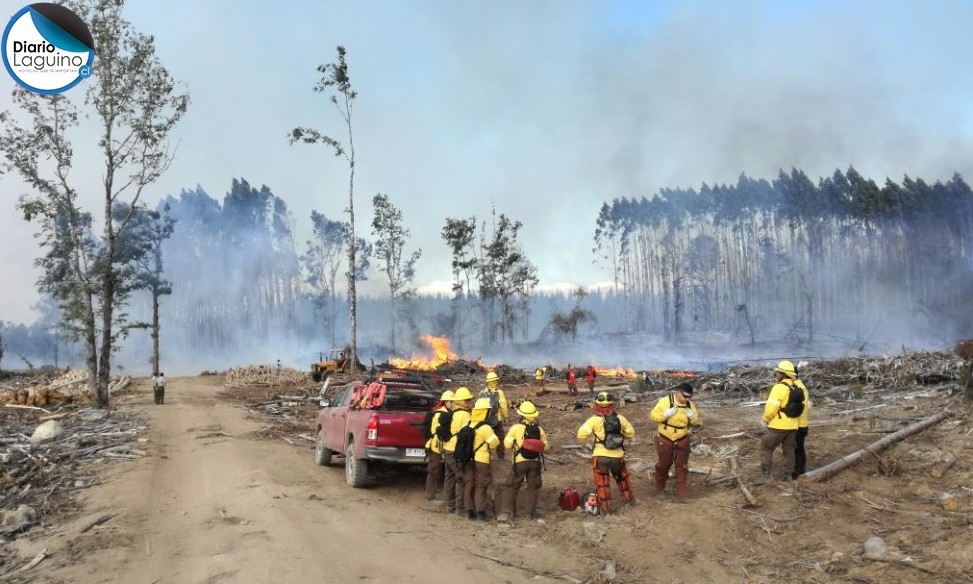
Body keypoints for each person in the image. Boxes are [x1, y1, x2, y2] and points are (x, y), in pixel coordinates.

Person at [576, 391, 636, 514]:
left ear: (597, 403)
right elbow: (631, 433)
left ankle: (606, 509)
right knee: (622, 479)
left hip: (600, 457)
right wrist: (620, 437)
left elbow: (581, 435)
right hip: (617, 456)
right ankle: (629, 501)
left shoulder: (593, 420)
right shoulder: (620, 418)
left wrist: (584, 443)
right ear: (611, 403)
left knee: (602, 484)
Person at [649, 382, 702, 500]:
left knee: (682, 466)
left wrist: (692, 417)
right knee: (663, 464)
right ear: (678, 392)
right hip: (665, 438)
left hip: (682, 438)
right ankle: (659, 490)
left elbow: (696, 421)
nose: (687, 399)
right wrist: (665, 415)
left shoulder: (689, 405)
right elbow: (653, 416)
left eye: (689, 397)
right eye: (685, 396)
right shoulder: (664, 401)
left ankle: (682, 495)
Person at [498, 401, 548, 522]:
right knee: (533, 487)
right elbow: (545, 447)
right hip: (535, 462)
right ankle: (529, 514)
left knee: (512, 486)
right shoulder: (539, 430)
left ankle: (506, 512)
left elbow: (507, 445)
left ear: (521, 415)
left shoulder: (515, 428)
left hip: (519, 462)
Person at [755, 360, 802, 484]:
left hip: (778, 426)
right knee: (789, 450)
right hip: (792, 426)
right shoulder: (795, 387)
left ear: (783, 374)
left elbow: (771, 408)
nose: (775, 375)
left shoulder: (778, 388)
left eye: (777, 373)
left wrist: (765, 419)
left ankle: (766, 477)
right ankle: (788, 476)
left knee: (766, 447)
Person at [463, 397, 501, 521]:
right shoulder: (485, 428)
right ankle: (480, 512)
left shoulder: (467, 424)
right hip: (481, 460)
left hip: (468, 460)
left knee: (470, 484)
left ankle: (468, 511)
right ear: (484, 412)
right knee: (481, 485)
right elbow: (494, 443)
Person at [442, 386, 473, 515]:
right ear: (464, 401)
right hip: (456, 451)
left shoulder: (450, 412)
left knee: (449, 477)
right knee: (460, 478)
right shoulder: (465, 414)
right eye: (468, 400)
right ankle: (459, 508)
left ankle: (449, 505)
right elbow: (467, 434)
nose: (469, 402)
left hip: (446, 449)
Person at [424, 390, 453, 501]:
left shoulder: (452, 413)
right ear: (445, 402)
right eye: (451, 401)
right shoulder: (438, 414)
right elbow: (437, 431)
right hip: (437, 445)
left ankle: (447, 497)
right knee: (434, 469)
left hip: (447, 445)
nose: (453, 404)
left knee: (448, 472)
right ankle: (430, 495)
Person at [792, 367, 811, 479]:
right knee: (799, 448)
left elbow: (797, 408)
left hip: (798, 424)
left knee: (797, 448)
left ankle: (798, 471)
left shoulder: (798, 388)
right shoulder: (801, 386)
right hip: (802, 423)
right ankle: (800, 470)